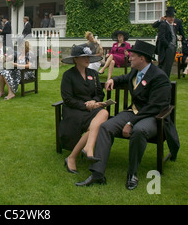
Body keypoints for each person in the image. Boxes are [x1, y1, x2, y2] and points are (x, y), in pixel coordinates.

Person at [76, 40, 180, 190]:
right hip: (134, 113)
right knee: (105, 127)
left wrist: (131, 123)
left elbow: (155, 107)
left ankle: (132, 174)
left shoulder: (160, 77)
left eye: (133, 56)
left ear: (142, 58)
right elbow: (124, 79)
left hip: (152, 117)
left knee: (138, 131)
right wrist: (113, 79)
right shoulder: (136, 71)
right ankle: (98, 173)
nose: (129, 58)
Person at [59, 44, 108, 174]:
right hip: (74, 110)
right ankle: (76, 155)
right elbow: (67, 99)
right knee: (95, 126)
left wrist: (94, 101)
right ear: (76, 59)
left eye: (88, 56)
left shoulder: (93, 73)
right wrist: (85, 105)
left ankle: (78, 153)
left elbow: (100, 93)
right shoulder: (68, 75)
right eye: (84, 57)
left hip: (92, 109)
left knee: (104, 112)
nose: (87, 59)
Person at [155, 6, 184, 77]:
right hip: (166, 48)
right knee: (164, 65)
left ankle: (166, 78)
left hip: (173, 47)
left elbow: (173, 35)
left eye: (173, 17)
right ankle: (161, 79)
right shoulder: (163, 25)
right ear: (166, 17)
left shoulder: (173, 26)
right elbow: (161, 37)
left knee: (169, 65)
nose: (172, 18)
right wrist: (168, 45)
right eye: (170, 17)